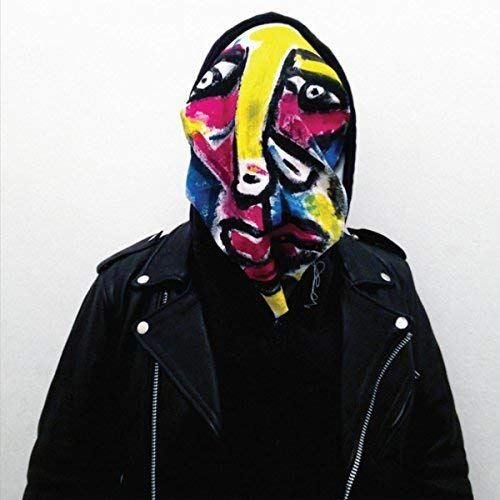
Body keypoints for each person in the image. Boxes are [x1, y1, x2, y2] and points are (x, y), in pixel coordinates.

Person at [23, 12, 473, 500]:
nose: (253, 161)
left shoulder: (384, 287)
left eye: (311, 104)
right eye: (228, 102)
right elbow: (65, 478)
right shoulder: (130, 293)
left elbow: (437, 471)